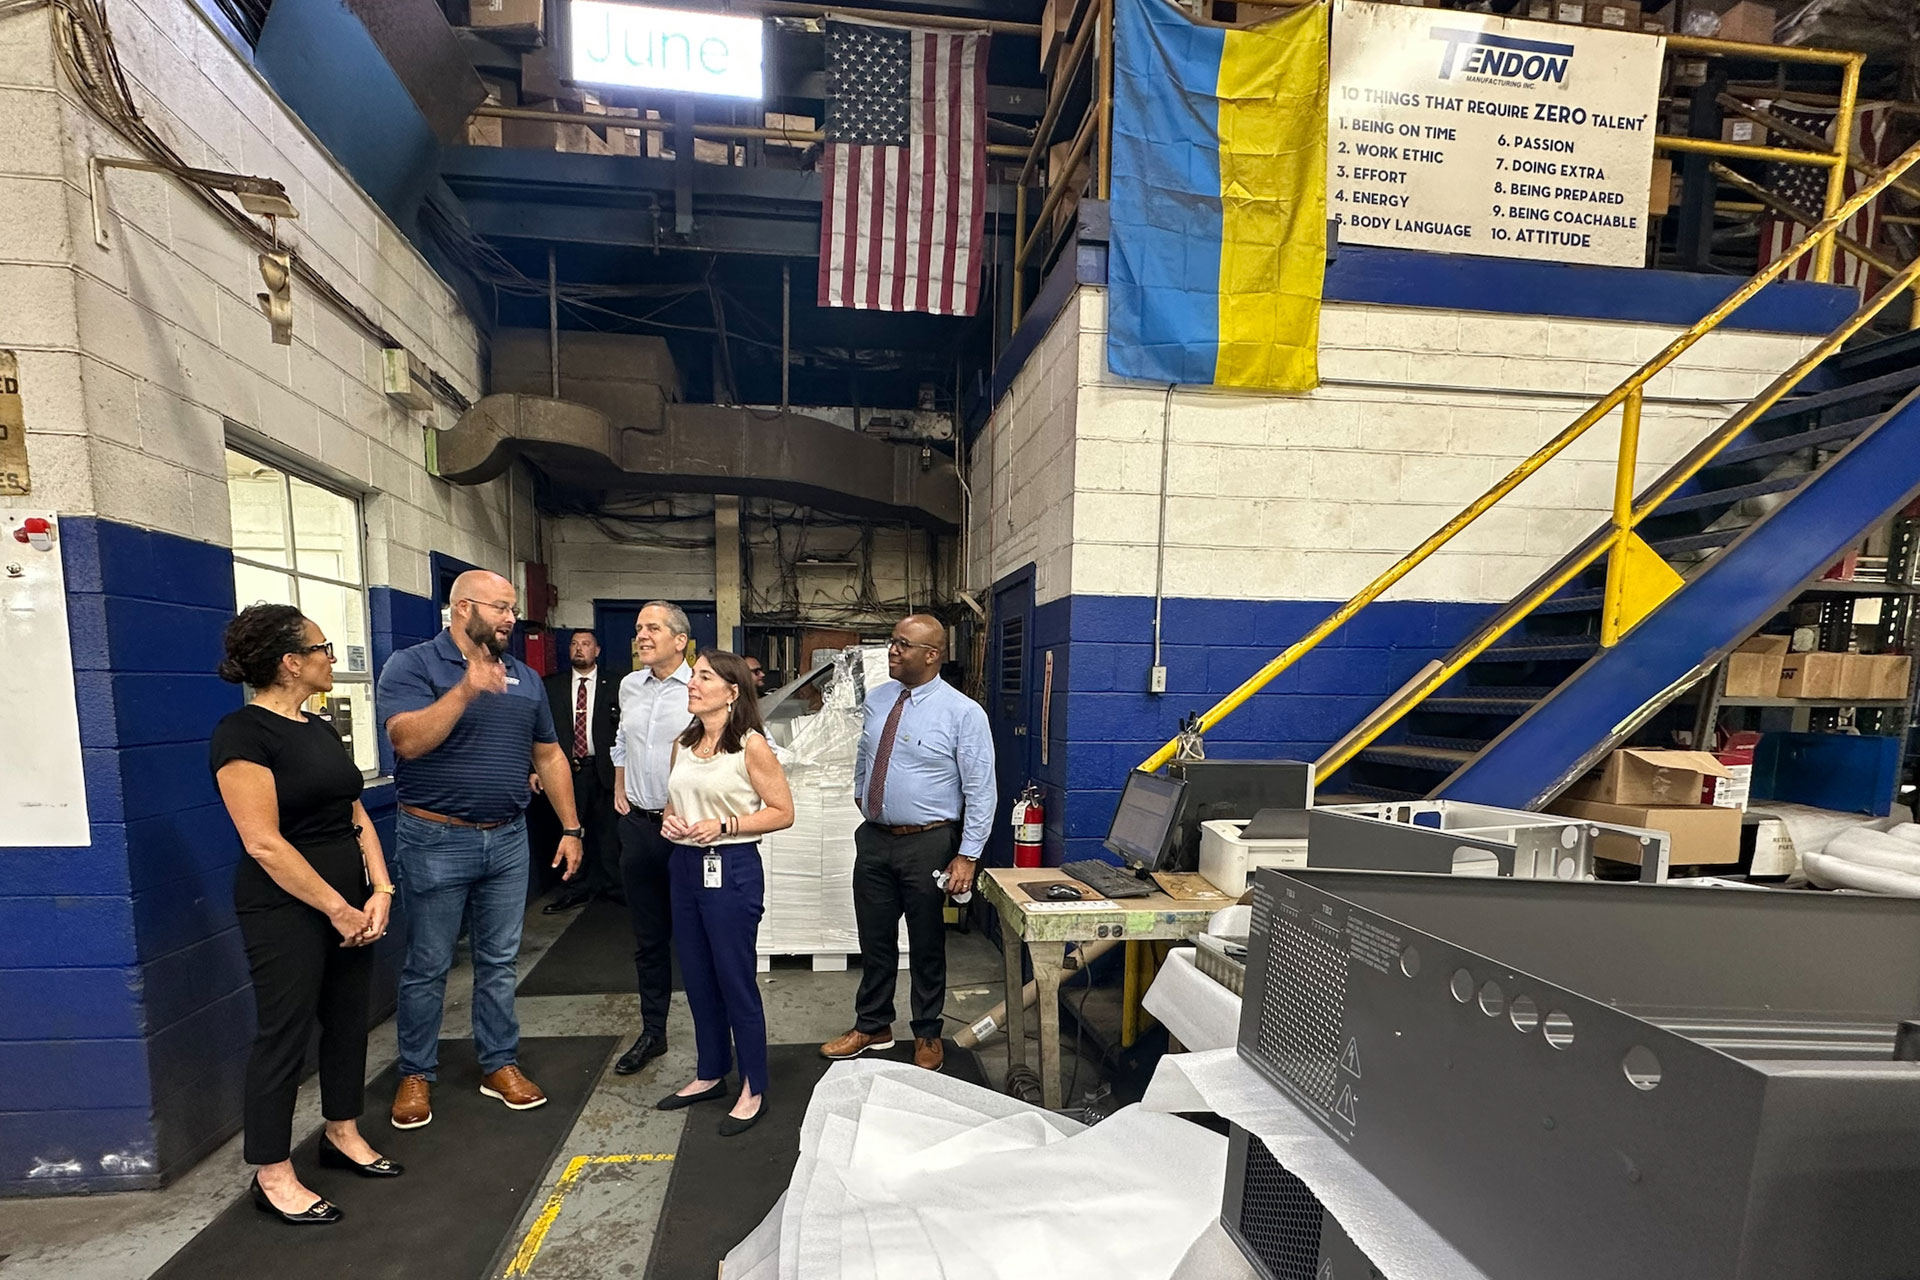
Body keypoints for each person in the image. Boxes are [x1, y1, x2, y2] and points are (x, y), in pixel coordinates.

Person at [210, 604, 402, 1227]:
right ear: (291, 662)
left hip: (352, 900)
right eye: (322, 648)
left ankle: (341, 1132)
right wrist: (337, 907)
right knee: (285, 1034)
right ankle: (272, 1171)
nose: (331, 658)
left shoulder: (318, 727)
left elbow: (354, 812)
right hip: (285, 907)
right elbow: (263, 842)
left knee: (348, 1022)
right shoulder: (243, 733)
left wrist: (380, 888)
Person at [377, 570, 585, 1129]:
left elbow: (548, 756)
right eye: (500, 608)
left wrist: (571, 828)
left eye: (513, 609)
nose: (511, 618)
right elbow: (407, 741)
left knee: (498, 963)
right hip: (434, 837)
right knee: (428, 965)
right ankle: (416, 1072)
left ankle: (499, 1063)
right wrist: (468, 686)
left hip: (508, 838)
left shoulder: (524, 677)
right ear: (463, 608)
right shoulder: (413, 665)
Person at [820, 615, 994, 1072]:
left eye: (902, 644)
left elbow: (981, 789)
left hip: (929, 843)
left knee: (926, 941)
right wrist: (863, 794)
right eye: (892, 643)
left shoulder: (963, 714)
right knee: (874, 939)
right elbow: (866, 753)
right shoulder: (879, 699)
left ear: (931, 654)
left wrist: (967, 856)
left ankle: (927, 1032)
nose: (892, 651)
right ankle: (873, 1025)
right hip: (875, 840)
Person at [656, 652, 794, 1135]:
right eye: (693, 675)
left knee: (735, 979)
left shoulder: (751, 746)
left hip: (731, 867)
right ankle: (711, 1071)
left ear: (732, 692)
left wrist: (726, 824)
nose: (691, 683)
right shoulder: (684, 742)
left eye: (704, 677)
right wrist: (669, 821)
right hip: (685, 866)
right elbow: (675, 802)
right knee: (696, 976)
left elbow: (782, 811)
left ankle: (753, 1084)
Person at [609, 602, 694, 1075]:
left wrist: (676, 801)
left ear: (679, 640)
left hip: (686, 831)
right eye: (639, 628)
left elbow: (711, 750)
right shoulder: (629, 686)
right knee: (648, 938)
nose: (642, 636)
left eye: (653, 628)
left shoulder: (700, 687)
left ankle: (716, 1035)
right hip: (639, 825)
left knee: (698, 935)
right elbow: (623, 739)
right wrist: (621, 783)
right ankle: (653, 1032)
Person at [539, 630, 622, 914]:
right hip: (566, 769)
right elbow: (537, 732)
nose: (579, 649)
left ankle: (613, 888)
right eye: (574, 644)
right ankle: (575, 888)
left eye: (585, 644)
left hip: (605, 770)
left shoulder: (618, 684)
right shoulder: (552, 686)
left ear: (597, 650)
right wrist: (535, 768)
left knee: (609, 831)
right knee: (570, 829)